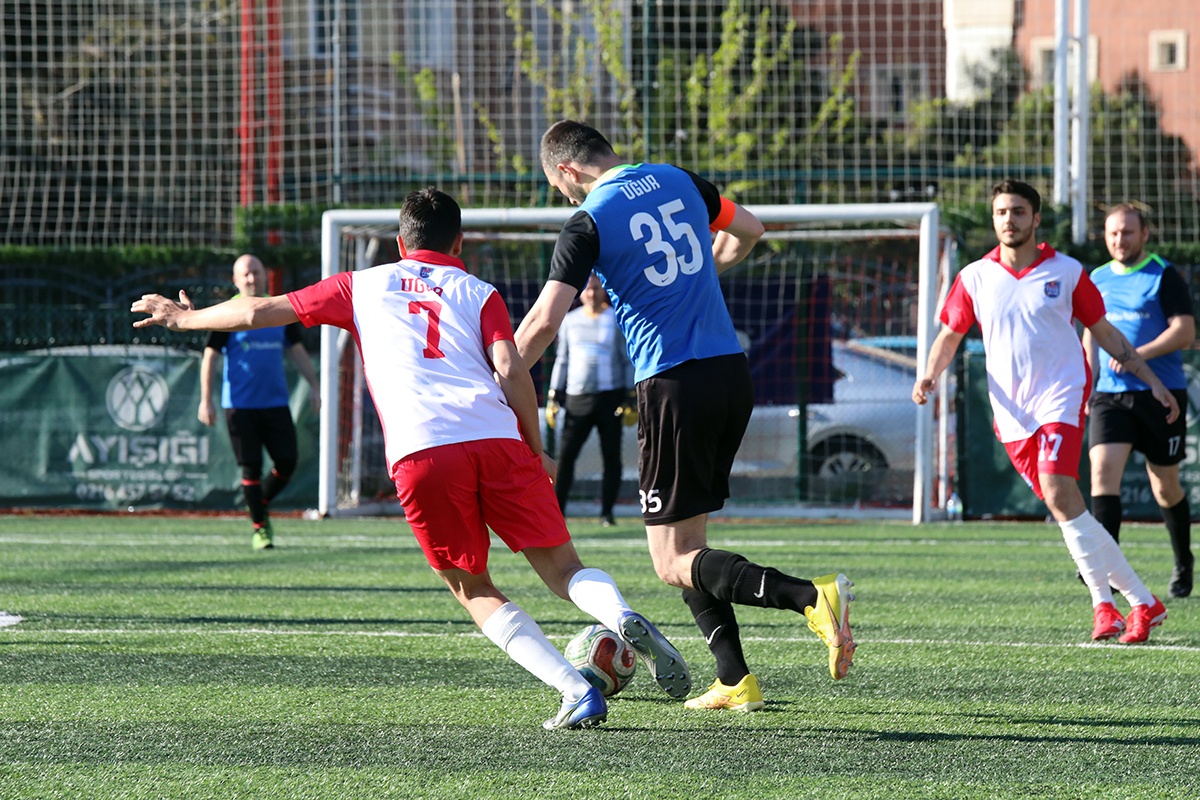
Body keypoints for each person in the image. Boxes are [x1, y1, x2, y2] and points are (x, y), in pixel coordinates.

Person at [133, 187, 690, 731]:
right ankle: (618, 614)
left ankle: (575, 690)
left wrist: (183, 319)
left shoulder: (360, 284)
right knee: (565, 569)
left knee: (473, 587)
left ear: (400, 243)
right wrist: (534, 447)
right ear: (459, 243)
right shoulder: (479, 291)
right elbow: (510, 368)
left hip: (424, 450)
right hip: (498, 438)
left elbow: (259, 310)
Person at [515, 119, 856, 713]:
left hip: (674, 383)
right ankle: (734, 679)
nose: (562, 196)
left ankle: (810, 597)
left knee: (671, 561)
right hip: (730, 372)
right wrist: (696, 278)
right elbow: (750, 230)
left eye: (556, 185)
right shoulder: (677, 179)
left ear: (567, 169)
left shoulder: (588, 221)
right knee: (691, 547)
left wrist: (497, 378)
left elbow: (545, 322)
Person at [913, 180, 1179, 644]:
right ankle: (1139, 602)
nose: (1009, 220)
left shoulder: (1068, 271)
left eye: (1018, 211)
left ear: (1036, 219)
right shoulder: (975, 276)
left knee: (1059, 493)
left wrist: (1151, 379)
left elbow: (1105, 332)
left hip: (1062, 396)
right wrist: (929, 374)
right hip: (1012, 412)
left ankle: (1105, 606)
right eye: (1001, 212)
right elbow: (950, 336)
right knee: (1068, 509)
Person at [1083, 204, 1195, 599]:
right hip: (1110, 395)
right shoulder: (1096, 278)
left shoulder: (1164, 275)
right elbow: (1091, 333)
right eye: (1113, 233)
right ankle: (1106, 568)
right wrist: (1087, 383)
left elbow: (1184, 332)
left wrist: (1134, 356)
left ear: (1144, 234)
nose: (1120, 240)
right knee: (1102, 473)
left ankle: (1183, 561)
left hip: (1160, 393)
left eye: (1128, 232)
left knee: (1165, 487)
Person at [197, 254, 320, 550]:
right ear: (236, 280)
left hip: (276, 403)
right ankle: (260, 527)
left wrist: (315, 386)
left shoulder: (277, 309)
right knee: (250, 468)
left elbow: (297, 350)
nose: (252, 278)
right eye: (246, 274)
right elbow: (210, 356)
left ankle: (258, 502)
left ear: (266, 275)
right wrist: (205, 400)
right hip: (240, 406)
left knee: (287, 462)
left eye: (256, 272)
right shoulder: (227, 313)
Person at [547, 273, 636, 526]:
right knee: (566, 457)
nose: (592, 293)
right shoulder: (570, 320)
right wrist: (554, 394)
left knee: (611, 457)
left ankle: (607, 513)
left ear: (603, 290)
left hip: (610, 397)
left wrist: (630, 395)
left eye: (596, 288)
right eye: (587, 289)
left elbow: (625, 359)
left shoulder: (615, 319)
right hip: (577, 398)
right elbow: (562, 359)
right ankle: (557, 512)